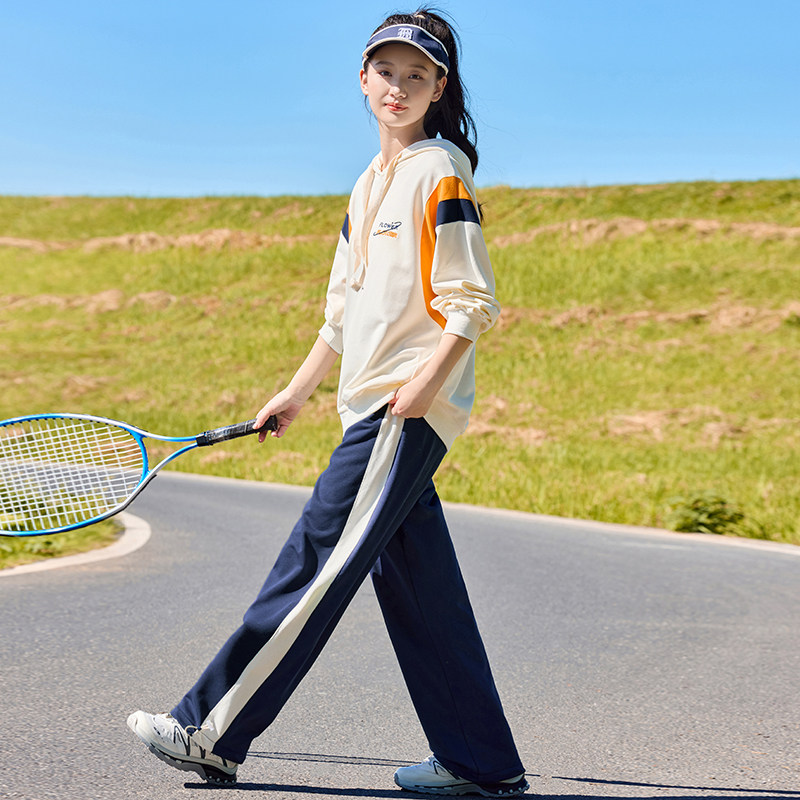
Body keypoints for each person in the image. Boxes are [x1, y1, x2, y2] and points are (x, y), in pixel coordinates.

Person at [127, 8, 527, 797]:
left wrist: (422, 387)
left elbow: (472, 300)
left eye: (418, 75)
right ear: (363, 78)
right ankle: (482, 763)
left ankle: (210, 729)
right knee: (422, 593)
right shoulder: (371, 181)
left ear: (440, 87)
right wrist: (299, 389)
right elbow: (343, 309)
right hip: (372, 406)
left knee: (314, 560)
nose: (399, 87)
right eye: (387, 71)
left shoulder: (438, 170)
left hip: (399, 411)